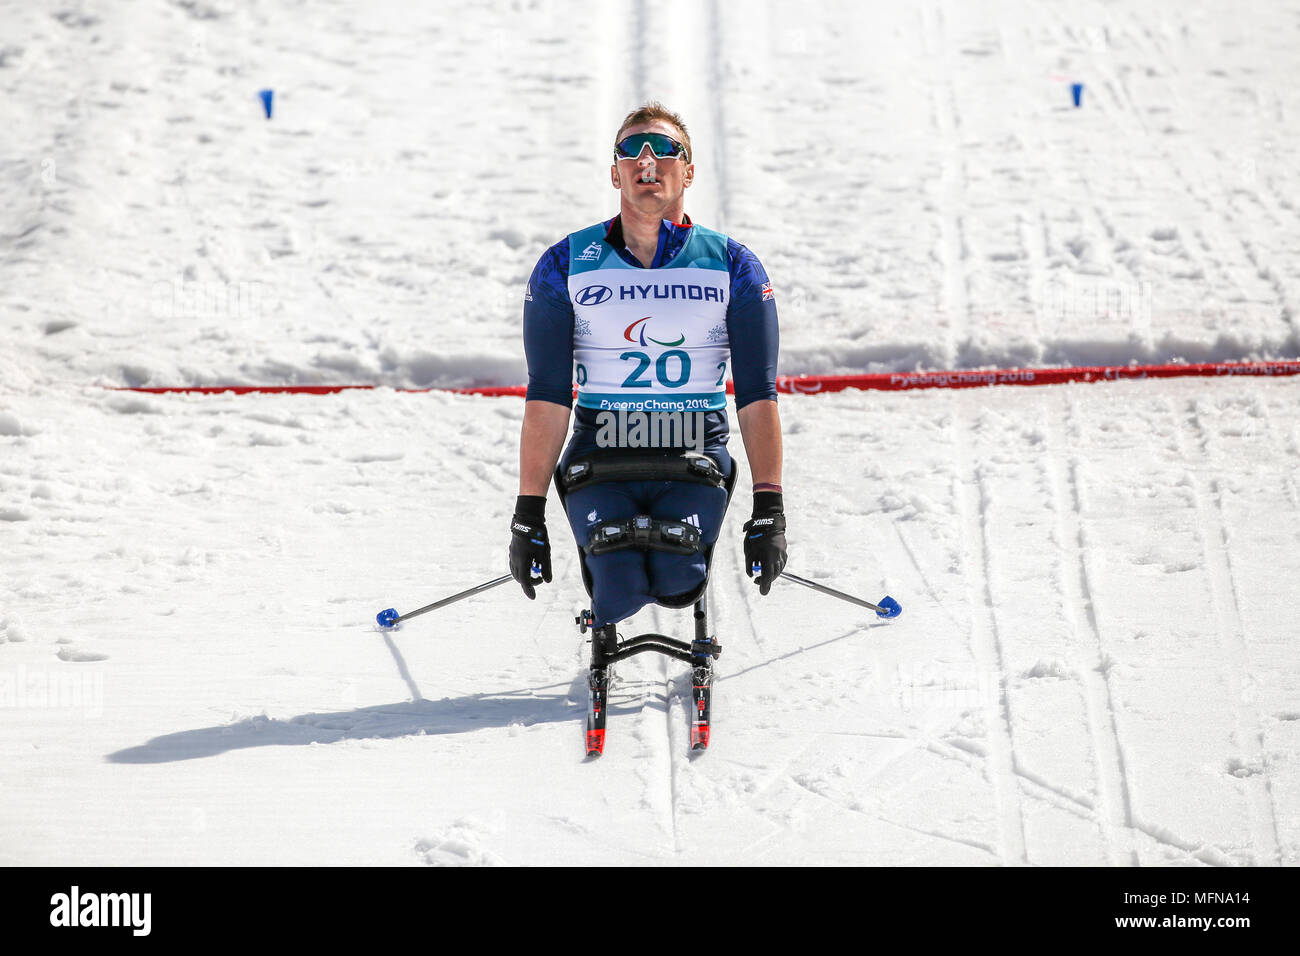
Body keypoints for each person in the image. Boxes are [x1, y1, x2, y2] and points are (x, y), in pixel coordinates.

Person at [508, 102, 786, 628]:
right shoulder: (565, 264)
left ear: (689, 170)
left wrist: (769, 509)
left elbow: (756, 394)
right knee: (619, 588)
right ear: (615, 173)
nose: (647, 160)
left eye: (665, 149)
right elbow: (547, 393)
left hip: (692, 446)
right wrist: (528, 513)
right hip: (601, 449)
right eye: (632, 150)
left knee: (678, 579)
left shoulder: (733, 265)